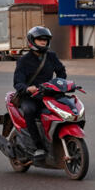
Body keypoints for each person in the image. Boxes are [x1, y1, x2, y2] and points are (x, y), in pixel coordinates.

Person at [12, 26, 67, 161]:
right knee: (29, 111)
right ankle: (38, 147)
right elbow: (18, 82)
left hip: (47, 94)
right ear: (32, 41)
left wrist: (60, 84)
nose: (43, 42)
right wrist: (27, 88)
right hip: (30, 97)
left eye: (45, 40)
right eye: (40, 39)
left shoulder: (51, 56)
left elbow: (61, 72)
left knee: (64, 108)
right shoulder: (24, 60)